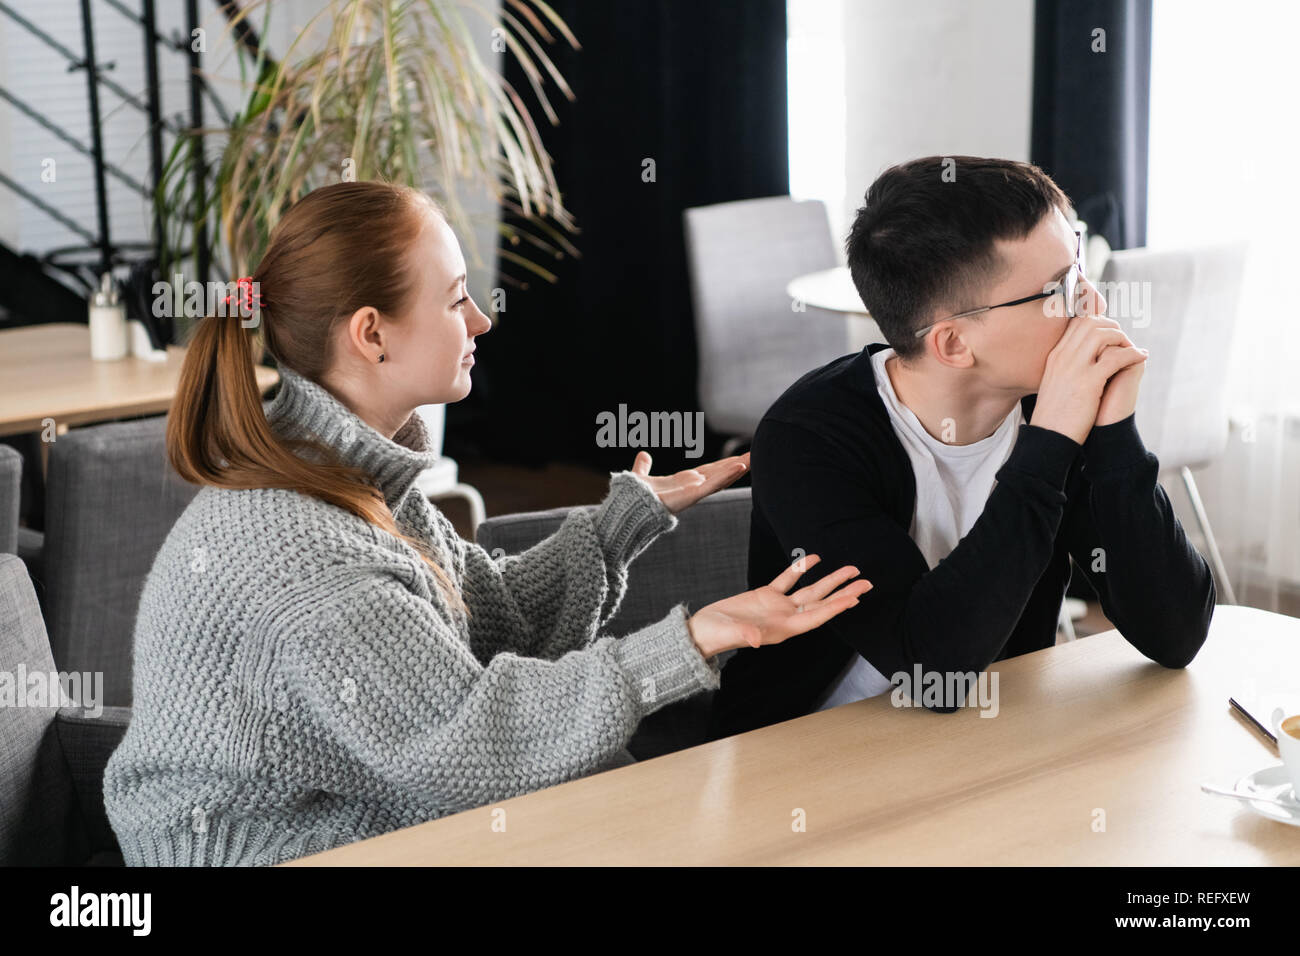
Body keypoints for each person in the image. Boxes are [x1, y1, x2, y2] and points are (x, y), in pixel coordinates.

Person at [102, 180, 870, 866]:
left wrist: (615, 529)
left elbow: (489, 623)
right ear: (372, 334)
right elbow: (472, 748)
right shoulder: (309, 557)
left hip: (346, 801)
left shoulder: (345, 473)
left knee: (621, 794)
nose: (481, 319)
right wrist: (693, 639)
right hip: (272, 847)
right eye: (455, 296)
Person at [707, 156, 1216, 739]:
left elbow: (1176, 634)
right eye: (1058, 290)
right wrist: (1049, 443)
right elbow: (933, 674)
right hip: (806, 754)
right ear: (953, 343)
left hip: (989, 741)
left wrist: (1113, 434)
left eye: (1079, 271)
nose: (1089, 303)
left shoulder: (1049, 406)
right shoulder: (809, 438)